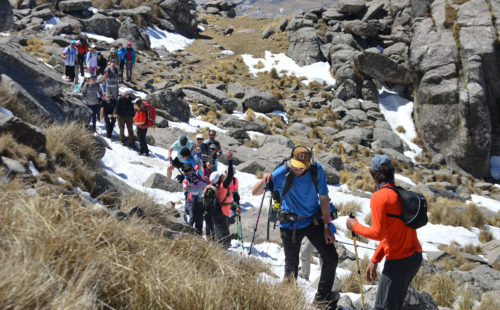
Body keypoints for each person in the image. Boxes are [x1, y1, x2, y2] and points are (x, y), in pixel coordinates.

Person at [251, 146, 339, 309]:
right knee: (291, 266)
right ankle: (288, 302)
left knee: (331, 257)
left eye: (301, 167)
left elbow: (324, 198)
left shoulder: (316, 170)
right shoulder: (282, 172)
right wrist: (265, 179)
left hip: (312, 221)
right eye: (295, 165)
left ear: (308, 164)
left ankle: (322, 299)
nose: (297, 169)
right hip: (290, 224)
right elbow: (254, 192)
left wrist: (327, 227)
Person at [346, 155, 422, 310]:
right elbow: (390, 233)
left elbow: (378, 233)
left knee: (382, 307)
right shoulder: (400, 194)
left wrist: (355, 226)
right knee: (393, 305)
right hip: (414, 258)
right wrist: (375, 259)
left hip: (398, 261)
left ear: (373, 174)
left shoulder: (380, 197)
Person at [209, 149, 234, 250]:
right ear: (219, 179)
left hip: (217, 213)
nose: (223, 176)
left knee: (219, 236)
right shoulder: (222, 186)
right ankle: (221, 255)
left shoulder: (213, 187)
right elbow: (231, 174)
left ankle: (216, 252)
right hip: (221, 214)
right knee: (226, 240)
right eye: (221, 176)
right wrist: (230, 160)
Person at [182, 153, 207, 235]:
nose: (189, 172)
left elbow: (200, 164)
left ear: (192, 169)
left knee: (199, 219)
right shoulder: (186, 181)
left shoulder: (198, 175)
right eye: (186, 171)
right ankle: (188, 233)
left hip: (200, 200)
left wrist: (199, 153)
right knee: (192, 217)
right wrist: (186, 188)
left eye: (190, 170)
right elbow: (185, 185)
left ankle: (198, 234)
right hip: (191, 201)